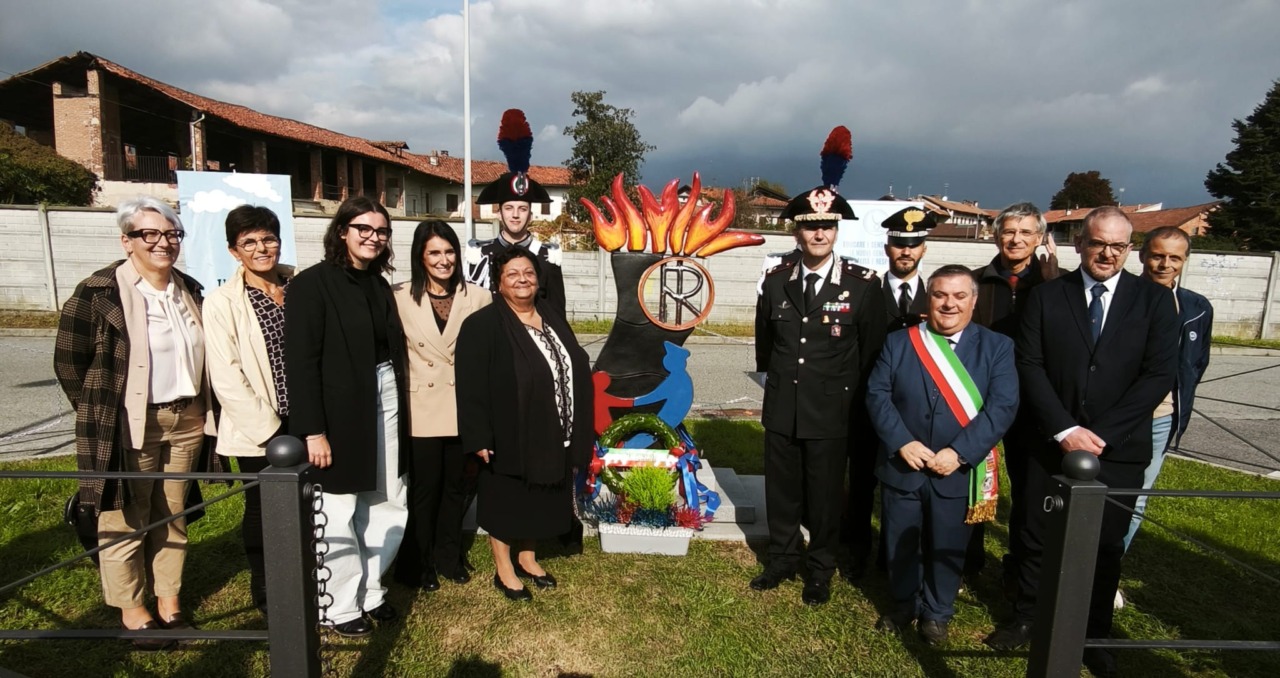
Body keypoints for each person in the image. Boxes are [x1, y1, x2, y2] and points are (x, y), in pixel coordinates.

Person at [986, 206, 1178, 678]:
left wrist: (1104, 435)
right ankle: (1027, 616)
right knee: (1033, 532)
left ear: (1129, 249)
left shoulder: (1152, 302)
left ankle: (1095, 633)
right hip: (1049, 441)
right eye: (1097, 244)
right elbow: (1028, 364)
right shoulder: (1048, 297)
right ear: (1079, 245)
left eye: (1117, 246)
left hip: (1119, 447)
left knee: (1106, 544)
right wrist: (1065, 429)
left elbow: (1158, 374)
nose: (1107, 254)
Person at [53, 196, 215, 649]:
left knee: (172, 513)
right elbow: (70, 361)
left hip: (187, 419)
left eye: (172, 234)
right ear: (127, 241)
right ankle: (132, 609)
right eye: (151, 234)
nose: (164, 243)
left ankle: (169, 601)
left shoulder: (189, 288)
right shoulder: (98, 292)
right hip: (129, 422)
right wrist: (100, 412)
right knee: (126, 517)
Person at [752, 126, 886, 606]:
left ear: (837, 230)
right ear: (798, 230)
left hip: (833, 411)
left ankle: (820, 567)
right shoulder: (775, 280)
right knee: (782, 491)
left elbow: (872, 353)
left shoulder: (864, 284)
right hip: (783, 405)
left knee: (827, 495)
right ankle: (783, 558)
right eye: (811, 226)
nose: (819, 233)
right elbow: (765, 344)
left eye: (827, 227)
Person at [867, 265, 1018, 646]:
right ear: (928, 298)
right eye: (940, 295)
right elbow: (877, 395)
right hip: (905, 463)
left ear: (974, 301)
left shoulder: (997, 347)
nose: (949, 304)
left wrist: (960, 452)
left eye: (959, 296)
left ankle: (937, 612)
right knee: (900, 538)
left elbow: (1002, 407)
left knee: (947, 543)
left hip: (957, 469)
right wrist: (901, 441)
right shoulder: (900, 342)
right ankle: (903, 603)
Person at [284, 196, 409, 638]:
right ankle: (337, 604)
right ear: (342, 231)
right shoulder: (310, 286)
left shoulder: (378, 284)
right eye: (365, 228)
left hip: (385, 394)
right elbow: (299, 364)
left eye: (382, 231)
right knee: (338, 507)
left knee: (389, 497)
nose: (374, 237)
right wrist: (313, 430)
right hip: (338, 408)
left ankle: (371, 590)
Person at [456, 247, 593, 602]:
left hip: (553, 428)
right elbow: (470, 385)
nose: (522, 279)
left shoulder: (551, 314)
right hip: (507, 433)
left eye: (528, 272)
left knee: (539, 498)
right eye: (513, 274)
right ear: (499, 283)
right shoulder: (482, 325)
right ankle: (504, 570)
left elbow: (571, 362)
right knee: (506, 500)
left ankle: (528, 557)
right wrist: (478, 435)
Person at [391, 220, 492, 591]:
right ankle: (416, 562)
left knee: (456, 488)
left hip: (462, 407)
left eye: (449, 251)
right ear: (421, 255)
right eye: (435, 252)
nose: (444, 259)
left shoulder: (478, 297)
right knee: (424, 490)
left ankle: (449, 556)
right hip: (421, 409)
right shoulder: (398, 295)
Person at [203, 204, 293, 616]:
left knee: (311, 502)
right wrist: (270, 431)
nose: (262, 248)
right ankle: (267, 588)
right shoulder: (222, 302)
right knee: (263, 508)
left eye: (268, 238)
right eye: (250, 242)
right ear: (234, 251)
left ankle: (307, 575)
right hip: (261, 426)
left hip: (307, 419)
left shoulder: (299, 283)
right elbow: (226, 376)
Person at [841, 205, 938, 580]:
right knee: (863, 482)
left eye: (913, 244)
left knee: (907, 488)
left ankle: (898, 558)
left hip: (917, 412)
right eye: (899, 244)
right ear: (887, 247)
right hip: (869, 407)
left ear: (924, 249)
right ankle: (857, 551)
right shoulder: (867, 293)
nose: (906, 252)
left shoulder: (936, 299)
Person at [971, 201, 1058, 587]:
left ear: (1040, 239)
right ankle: (967, 559)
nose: (1016, 239)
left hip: (1033, 405)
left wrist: (1052, 283)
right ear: (996, 236)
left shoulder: (1059, 284)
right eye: (1008, 231)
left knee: (1028, 493)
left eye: (1025, 232)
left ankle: (1021, 568)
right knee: (971, 483)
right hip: (980, 402)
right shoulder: (975, 283)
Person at [1123, 226, 1213, 551]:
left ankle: (1108, 572)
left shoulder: (1197, 308)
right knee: (1096, 494)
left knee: (1136, 502)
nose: (1165, 264)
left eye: (1174, 258)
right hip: (1114, 415)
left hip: (1161, 418)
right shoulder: (1121, 297)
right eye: (1158, 255)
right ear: (1142, 254)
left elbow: (1196, 362)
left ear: (1185, 260)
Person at [465, 109, 566, 317]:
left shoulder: (547, 256)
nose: (515, 215)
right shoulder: (480, 255)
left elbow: (557, 312)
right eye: (509, 208)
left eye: (522, 209)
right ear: (499, 213)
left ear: (530, 214)